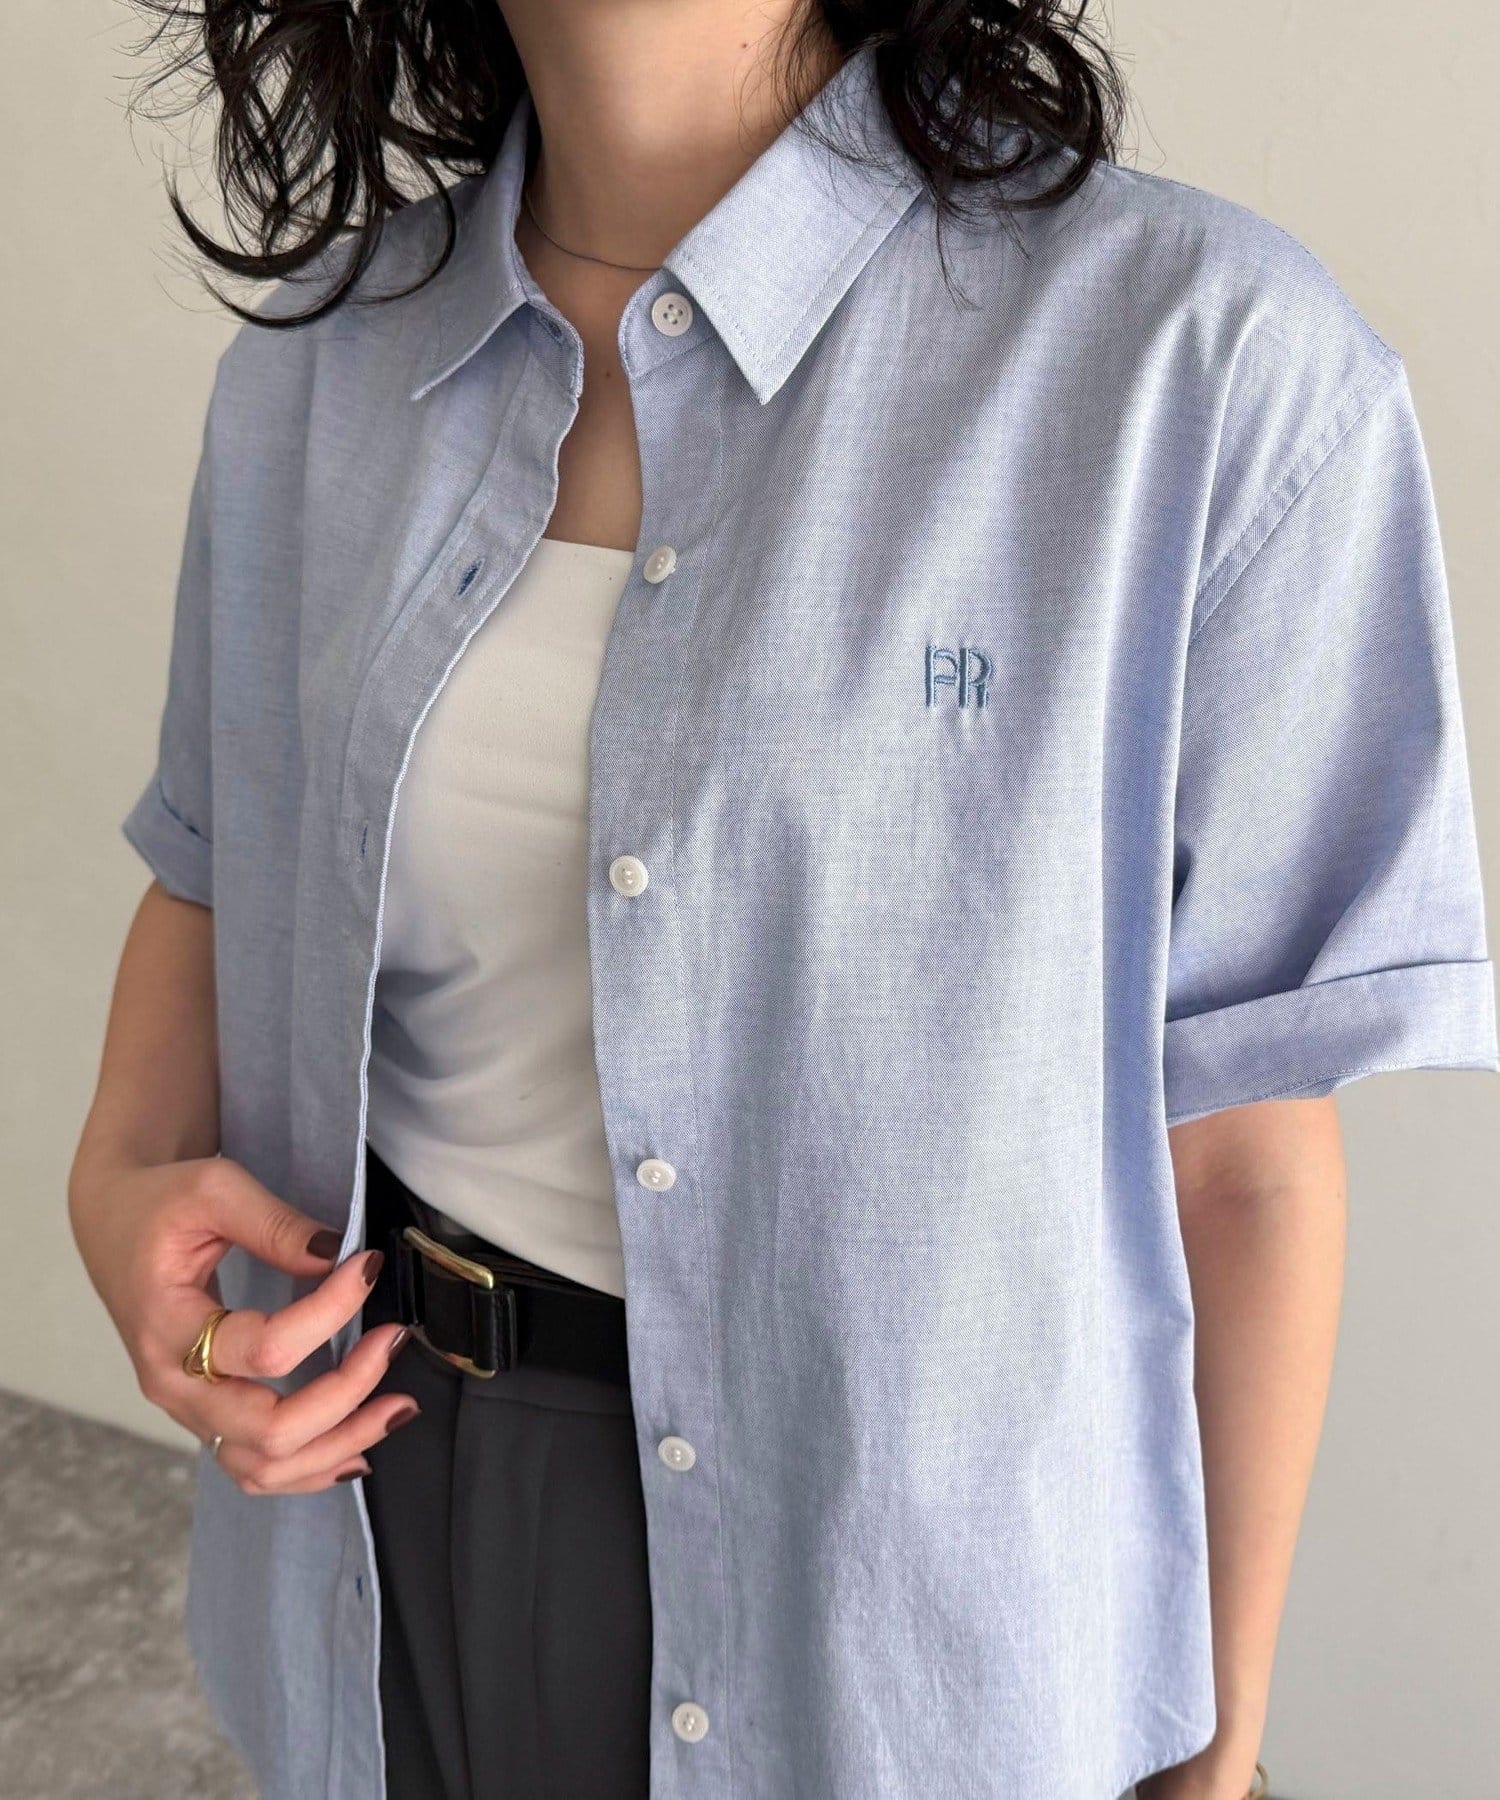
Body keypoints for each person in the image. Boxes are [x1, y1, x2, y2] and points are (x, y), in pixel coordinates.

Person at [70, 2, 1497, 1797]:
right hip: (378, 1503)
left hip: (910, 1624)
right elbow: (218, 861)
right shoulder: (324, 358)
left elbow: (1248, 1153)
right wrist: (119, 1178)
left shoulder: (1199, 363)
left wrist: (1214, 1758)